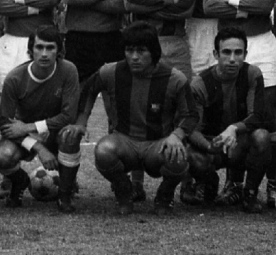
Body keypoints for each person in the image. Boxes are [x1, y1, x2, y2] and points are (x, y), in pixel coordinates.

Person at [73, 23, 195, 216]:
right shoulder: (110, 72)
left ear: (154, 51)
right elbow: (88, 90)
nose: (134, 57)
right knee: (104, 151)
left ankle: (166, 193)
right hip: (124, 142)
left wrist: (176, 135)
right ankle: (124, 189)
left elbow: (190, 115)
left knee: (178, 155)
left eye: (141, 51)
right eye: (129, 51)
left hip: (157, 144)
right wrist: (81, 122)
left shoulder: (175, 78)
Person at [201, 0, 276, 202]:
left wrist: (231, 0)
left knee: (267, 117)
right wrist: (248, 8)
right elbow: (208, 5)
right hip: (231, 43)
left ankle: (273, 183)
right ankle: (234, 183)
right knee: (232, 114)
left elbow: (266, 4)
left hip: (262, 43)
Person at [0, 26, 83, 213]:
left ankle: (65, 193)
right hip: (25, 137)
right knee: (3, 156)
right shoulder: (14, 79)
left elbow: (69, 116)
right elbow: (5, 125)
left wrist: (28, 126)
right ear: (30, 50)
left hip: (53, 132)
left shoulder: (69, 71)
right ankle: (19, 182)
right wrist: (39, 148)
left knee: (70, 135)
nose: (44, 54)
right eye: (39, 47)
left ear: (59, 51)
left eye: (50, 48)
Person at [184, 28, 274, 213]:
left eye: (238, 52)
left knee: (262, 137)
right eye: (226, 52)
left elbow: (258, 116)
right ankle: (208, 182)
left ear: (245, 54)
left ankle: (249, 193)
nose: (232, 59)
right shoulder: (200, 84)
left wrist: (234, 128)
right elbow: (191, 128)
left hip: (240, 143)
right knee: (190, 155)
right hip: (211, 144)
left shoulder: (252, 74)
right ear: (216, 54)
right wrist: (209, 146)